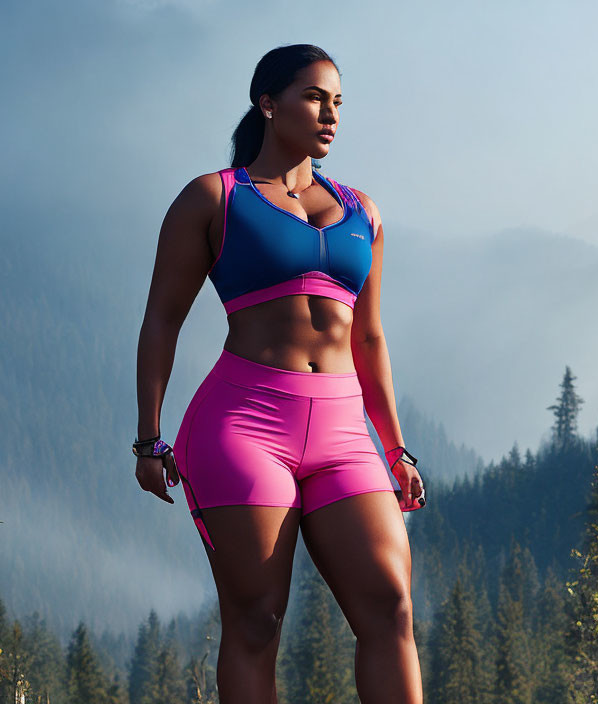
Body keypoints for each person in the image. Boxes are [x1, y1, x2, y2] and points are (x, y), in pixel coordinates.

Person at [133, 43, 425, 703]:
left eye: (338, 102)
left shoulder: (362, 211)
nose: (330, 114)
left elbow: (370, 336)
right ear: (268, 103)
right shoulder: (213, 198)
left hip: (346, 432)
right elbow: (161, 321)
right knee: (256, 620)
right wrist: (148, 438)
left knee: (391, 607)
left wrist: (395, 446)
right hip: (242, 427)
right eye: (315, 97)